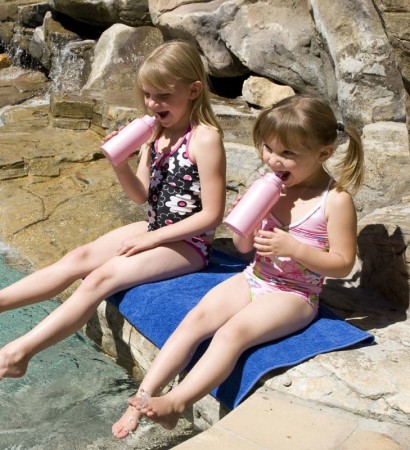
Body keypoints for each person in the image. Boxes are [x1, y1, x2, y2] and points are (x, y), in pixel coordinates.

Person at [0, 40, 227, 386]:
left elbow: (212, 215)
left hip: (188, 244)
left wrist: (153, 240)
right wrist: (119, 163)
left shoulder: (205, 139)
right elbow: (141, 196)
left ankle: (18, 354)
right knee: (79, 257)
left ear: (194, 90)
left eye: (163, 96)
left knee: (100, 279)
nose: (152, 104)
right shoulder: (156, 134)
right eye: (148, 95)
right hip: (154, 226)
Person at [113, 94, 364, 438]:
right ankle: (142, 395)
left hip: (295, 294)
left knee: (232, 333)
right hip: (255, 277)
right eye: (269, 149)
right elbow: (246, 249)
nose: (274, 160)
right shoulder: (270, 187)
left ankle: (177, 402)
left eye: (288, 154)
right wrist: (247, 224)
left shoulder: (334, 201)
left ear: (324, 153)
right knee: (196, 319)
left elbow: (342, 264)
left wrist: (293, 246)